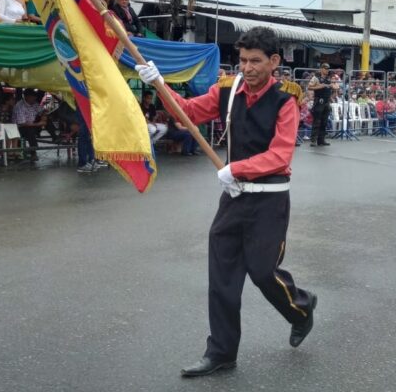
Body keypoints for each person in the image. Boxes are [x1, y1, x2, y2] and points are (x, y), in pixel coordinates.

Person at [135, 26, 316, 378]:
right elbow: (186, 114)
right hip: (233, 198)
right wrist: (158, 83)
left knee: (264, 274)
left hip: (269, 199)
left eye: (255, 62)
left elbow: (280, 155)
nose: (246, 68)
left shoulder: (286, 100)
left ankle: (301, 309)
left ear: (274, 62)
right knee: (222, 279)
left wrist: (238, 169)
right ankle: (221, 352)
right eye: (242, 60)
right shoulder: (227, 92)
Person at [12, 88, 45, 162]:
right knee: (30, 131)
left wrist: (44, 117)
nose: (35, 98)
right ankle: (33, 152)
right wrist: (38, 124)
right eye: (33, 97)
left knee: (47, 121)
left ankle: (55, 137)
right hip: (20, 128)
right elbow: (22, 123)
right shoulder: (19, 106)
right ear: (27, 97)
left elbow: (42, 111)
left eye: (35, 97)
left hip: (32, 124)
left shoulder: (34, 103)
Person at [307, 63, 335, 146]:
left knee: (324, 121)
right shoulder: (316, 78)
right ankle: (313, 140)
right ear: (321, 69)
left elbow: (332, 87)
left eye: (328, 68)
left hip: (326, 101)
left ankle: (321, 140)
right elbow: (309, 87)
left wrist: (332, 89)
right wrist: (320, 87)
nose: (327, 70)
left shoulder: (328, 79)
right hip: (319, 101)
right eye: (325, 68)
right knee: (317, 121)